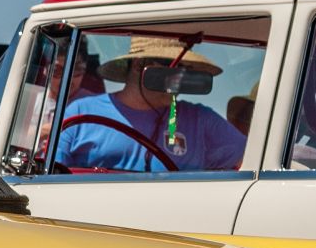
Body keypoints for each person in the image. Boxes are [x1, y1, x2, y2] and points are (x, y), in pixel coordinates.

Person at [53, 36, 245, 173]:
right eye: (173, 67)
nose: (179, 78)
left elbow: (255, 162)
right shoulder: (79, 113)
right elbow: (51, 180)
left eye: (184, 69)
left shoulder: (202, 120)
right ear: (138, 65)